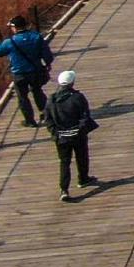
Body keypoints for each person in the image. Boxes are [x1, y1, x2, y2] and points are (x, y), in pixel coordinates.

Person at [44, 71, 98, 202]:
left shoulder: (51, 100)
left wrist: (55, 132)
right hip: (77, 136)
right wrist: (80, 130)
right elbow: (85, 117)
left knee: (64, 162)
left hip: (61, 137)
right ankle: (83, 178)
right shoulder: (78, 97)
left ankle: (64, 189)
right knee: (82, 156)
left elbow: (48, 119)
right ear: (72, 83)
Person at [0, 17, 51, 129]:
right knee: (38, 91)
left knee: (22, 97)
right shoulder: (36, 37)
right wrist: (47, 64)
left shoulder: (10, 41)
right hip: (35, 71)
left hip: (19, 74)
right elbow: (47, 54)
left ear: (14, 27)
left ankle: (30, 121)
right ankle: (46, 114)